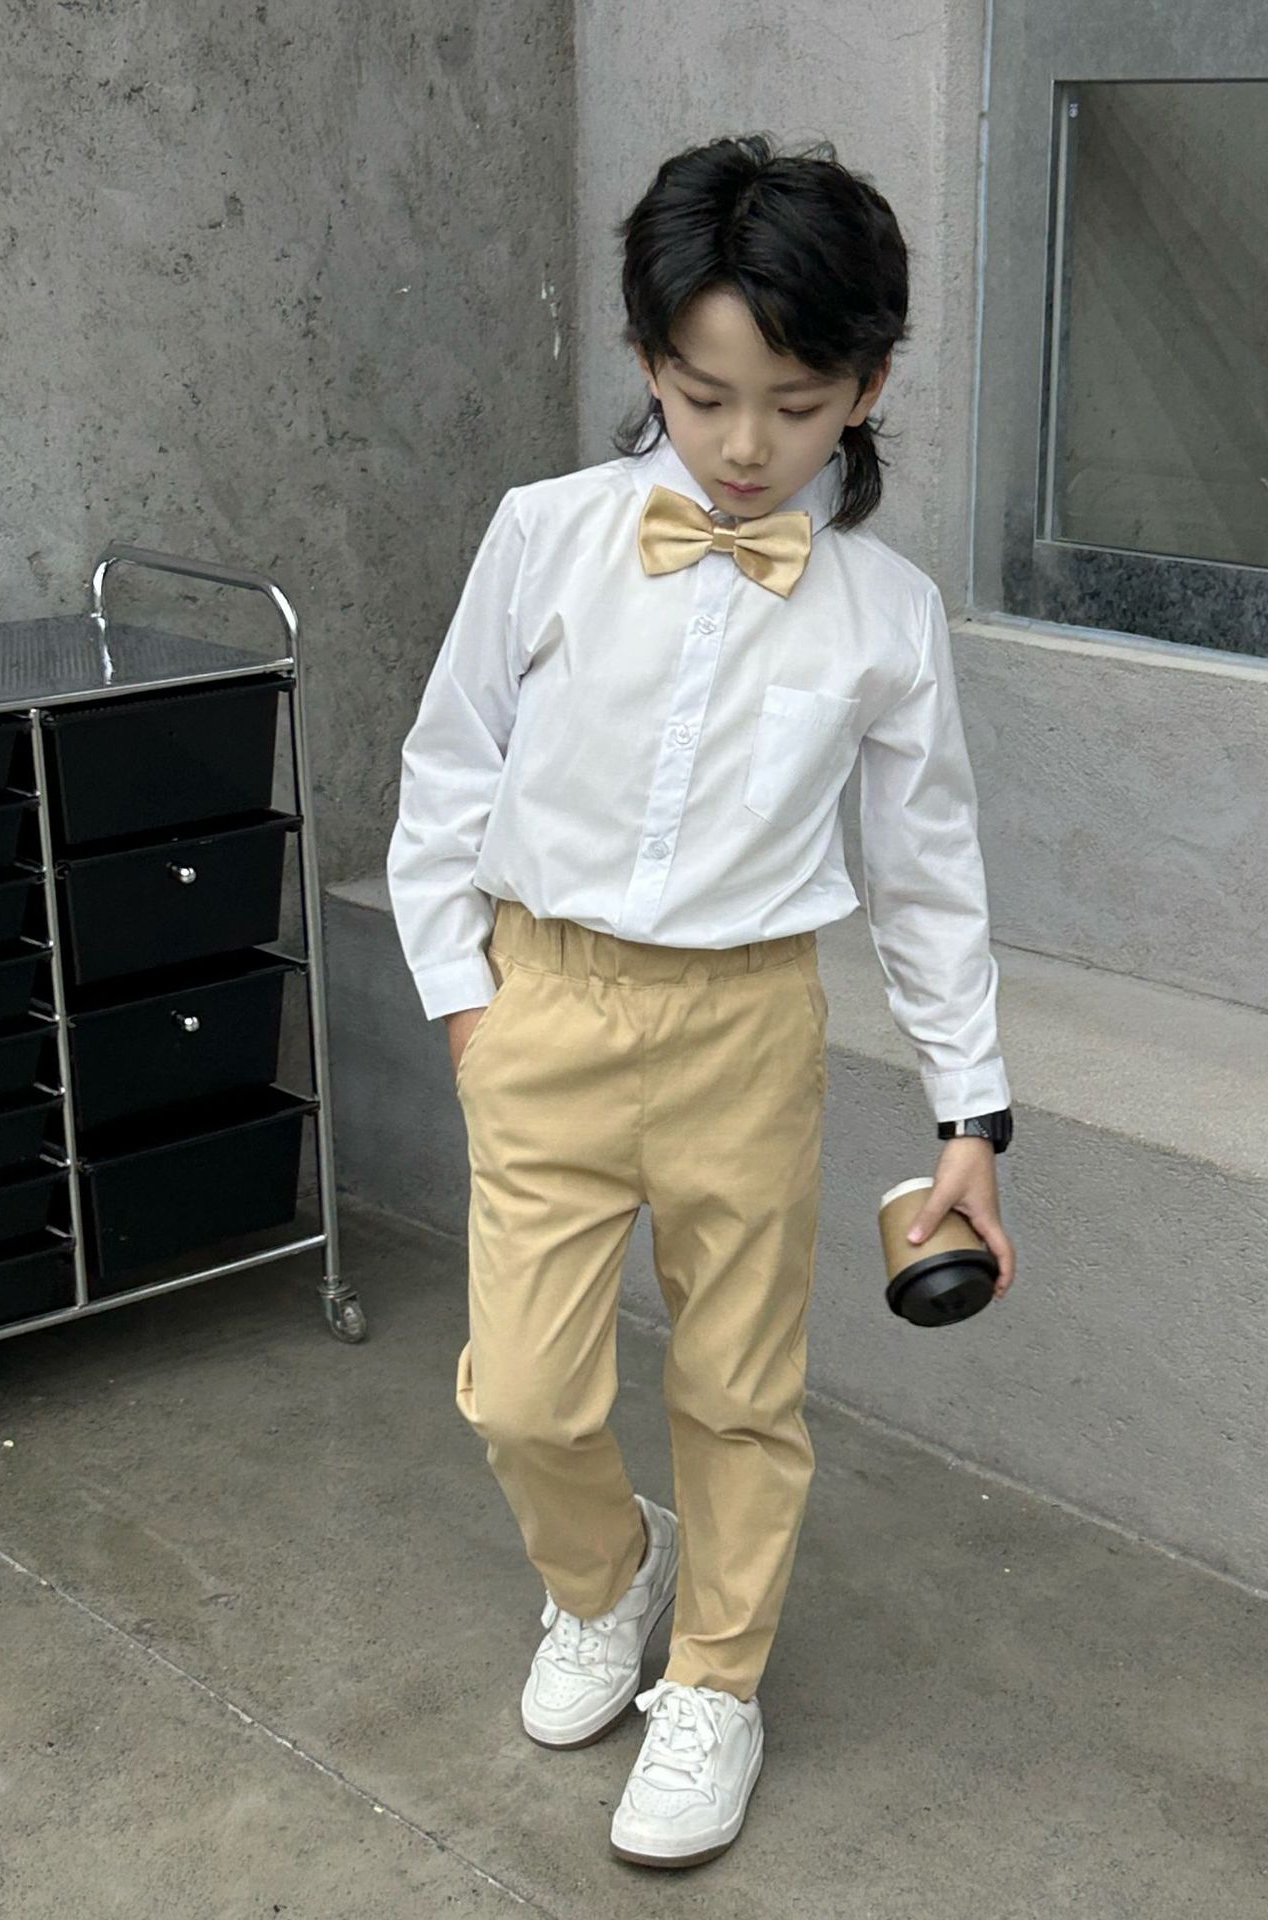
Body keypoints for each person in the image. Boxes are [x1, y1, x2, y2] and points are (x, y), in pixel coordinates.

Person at [386, 131, 1017, 1871]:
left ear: (866, 389)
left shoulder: (887, 616)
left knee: (740, 1389)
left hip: (749, 1030)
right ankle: (607, 1577)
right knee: (522, 1395)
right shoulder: (545, 536)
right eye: (702, 395)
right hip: (545, 1006)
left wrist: (971, 1114)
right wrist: (466, 1007)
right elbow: (448, 771)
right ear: (647, 359)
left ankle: (717, 1683)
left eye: (796, 406)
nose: (744, 448)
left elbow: (928, 873)